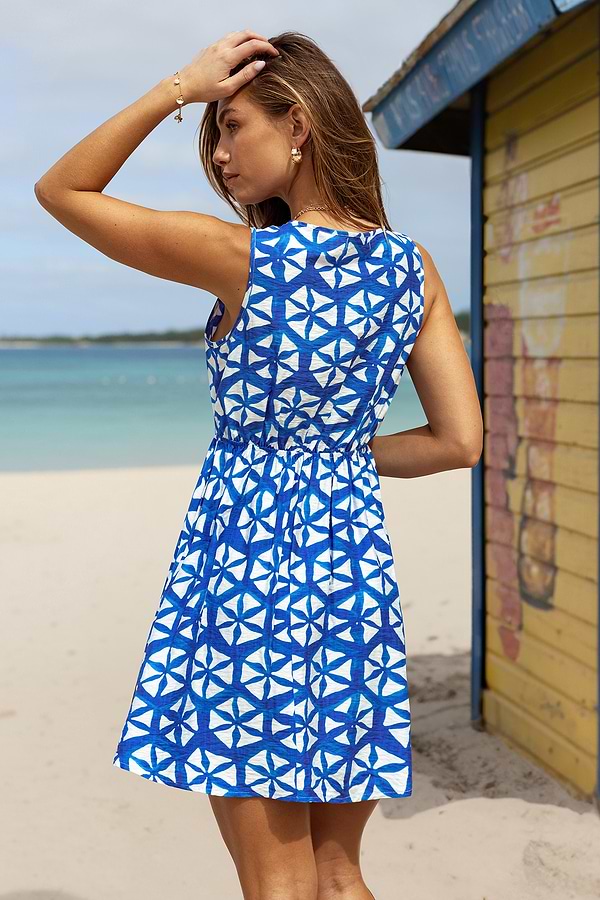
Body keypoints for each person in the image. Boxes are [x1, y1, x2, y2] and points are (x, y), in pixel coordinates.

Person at [34, 28, 483, 900]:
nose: (218, 151)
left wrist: (179, 86)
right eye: (212, 130)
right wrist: (335, 456)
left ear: (300, 125)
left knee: (277, 879)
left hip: (250, 578)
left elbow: (62, 190)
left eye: (232, 125)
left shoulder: (245, 260)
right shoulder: (412, 269)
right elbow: (458, 441)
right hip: (351, 578)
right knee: (339, 872)